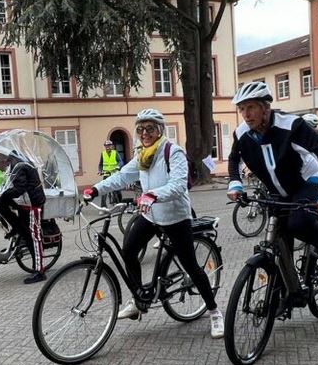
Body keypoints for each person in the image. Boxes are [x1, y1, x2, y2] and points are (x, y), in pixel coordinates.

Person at [83, 108, 225, 338]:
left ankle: (214, 311)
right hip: (150, 215)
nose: (144, 133)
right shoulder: (142, 154)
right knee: (129, 250)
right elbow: (123, 176)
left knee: (191, 266)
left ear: (159, 130)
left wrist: (153, 194)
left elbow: (179, 185)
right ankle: (140, 299)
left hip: (175, 216)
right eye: (140, 129)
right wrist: (97, 188)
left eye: (150, 128)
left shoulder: (172, 151)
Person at [227, 81, 318, 280]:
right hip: (276, 189)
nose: (246, 114)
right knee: (279, 240)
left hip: (306, 179)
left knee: (297, 223)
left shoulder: (290, 125)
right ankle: (285, 295)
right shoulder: (242, 133)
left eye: (251, 107)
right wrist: (235, 182)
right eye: (242, 109)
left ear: (265, 107)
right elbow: (234, 157)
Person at [0, 151, 47, 284]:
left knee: (34, 237)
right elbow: (11, 186)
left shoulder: (19, 166)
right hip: (25, 203)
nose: (3, 170)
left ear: (3, 161)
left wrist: (2, 195)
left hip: (33, 203)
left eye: (1, 168)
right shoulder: (14, 164)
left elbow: (19, 189)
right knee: (26, 234)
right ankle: (17, 229)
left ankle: (40, 271)